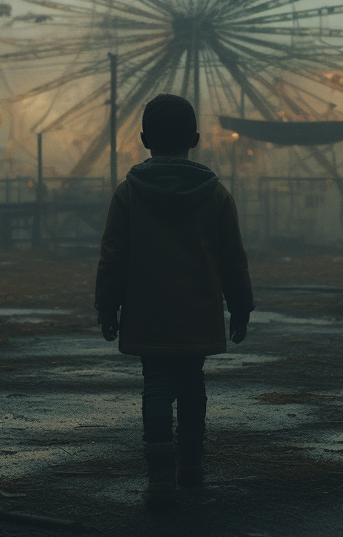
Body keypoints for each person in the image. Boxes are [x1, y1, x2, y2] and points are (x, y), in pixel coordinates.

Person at [94, 93, 253, 509]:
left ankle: (160, 475)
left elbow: (112, 256)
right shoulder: (215, 194)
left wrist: (106, 307)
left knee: (157, 388)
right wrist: (241, 307)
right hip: (198, 311)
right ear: (196, 138)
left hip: (147, 311)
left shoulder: (128, 194)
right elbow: (234, 259)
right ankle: (192, 467)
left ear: (144, 139)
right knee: (192, 385)